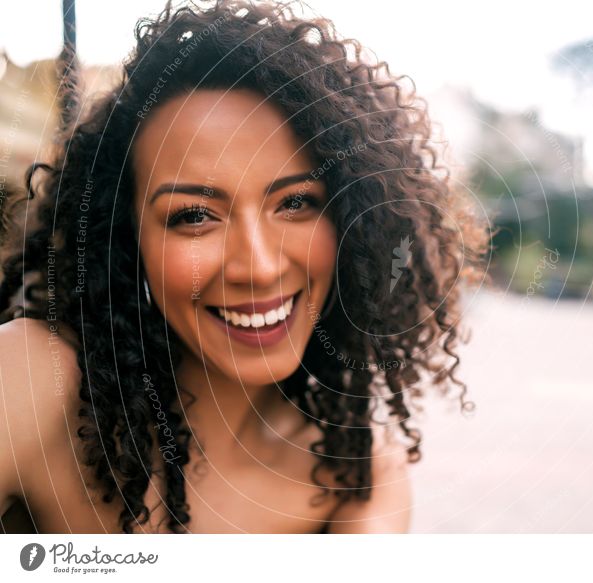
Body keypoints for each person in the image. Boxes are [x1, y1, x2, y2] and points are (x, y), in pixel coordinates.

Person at [0, 0, 489, 533]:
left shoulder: (356, 477)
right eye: (193, 216)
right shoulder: (32, 379)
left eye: (297, 202)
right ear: (124, 235)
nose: (257, 267)